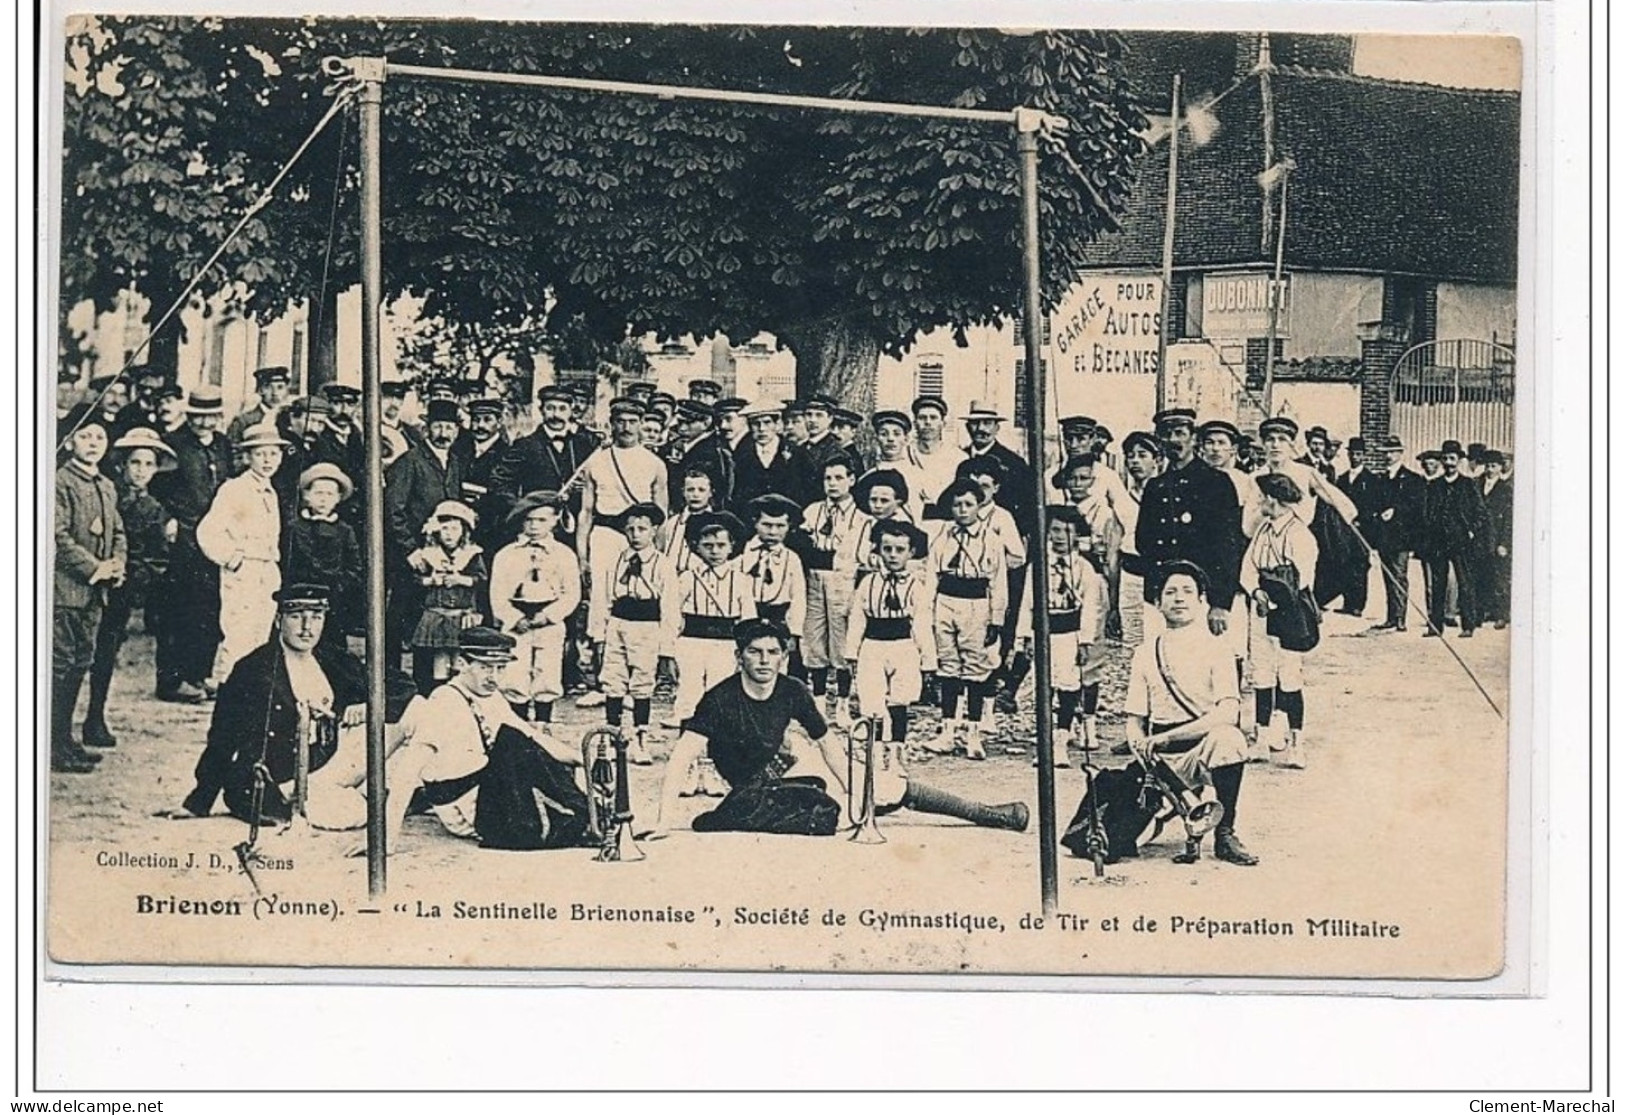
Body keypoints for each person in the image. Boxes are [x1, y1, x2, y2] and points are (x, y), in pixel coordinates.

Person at [649, 618, 1029, 837]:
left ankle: (988, 814)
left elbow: (828, 744)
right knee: (861, 803)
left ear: (784, 656)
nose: (764, 660)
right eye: (754, 652)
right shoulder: (719, 698)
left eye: (773, 653)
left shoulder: (793, 689)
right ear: (739, 656)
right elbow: (681, 756)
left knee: (886, 789)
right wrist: (665, 820)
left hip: (801, 767)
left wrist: (853, 788)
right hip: (758, 785)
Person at [168, 584, 415, 827]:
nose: (307, 628)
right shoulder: (253, 670)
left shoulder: (332, 659)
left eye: (316, 617)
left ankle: (402, 791)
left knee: (415, 712)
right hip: (281, 780)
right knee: (352, 815)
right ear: (278, 620)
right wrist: (199, 800)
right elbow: (223, 737)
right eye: (297, 617)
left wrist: (369, 706)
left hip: (332, 763)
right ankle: (376, 797)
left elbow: (403, 687)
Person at [1120, 561, 1257, 866]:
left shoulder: (1219, 648)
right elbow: (1134, 721)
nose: (1179, 598)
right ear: (1157, 603)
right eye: (1170, 592)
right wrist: (1141, 748)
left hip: (1202, 748)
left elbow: (1228, 712)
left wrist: (1169, 737)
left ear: (1202, 600)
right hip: (1161, 760)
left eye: (1187, 591)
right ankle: (1179, 809)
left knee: (1230, 738)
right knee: (1122, 841)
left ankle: (1225, 833)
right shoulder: (1145, 653)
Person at [84, 427, 177, 751]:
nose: (140, 470)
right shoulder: (107, 493)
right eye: (134, 463)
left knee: (106, 652)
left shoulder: (155, 509)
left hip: (121, 589)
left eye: (147, 464)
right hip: (90, 578)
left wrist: (135, 579)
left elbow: (157, 558)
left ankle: (95, 716)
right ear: (123, 465)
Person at [577, 396, 669, 702]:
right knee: (601, 604)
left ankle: (637, 681)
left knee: (637, 603)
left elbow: (661, 513)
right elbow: (586, 511)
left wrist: (659, 554)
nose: (627, 427)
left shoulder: (654, 463)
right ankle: (603, 683)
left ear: (642, 424)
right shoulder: (596, 461)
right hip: (605, 535)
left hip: (641, 537)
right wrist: (582, 554)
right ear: (611, 423)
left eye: (633, 421)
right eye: (620, 421)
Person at [52, 408, 126, 773]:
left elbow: (118, 532)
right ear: (68, 443)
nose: (93, 443)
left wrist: (116, 564)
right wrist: (94, 567)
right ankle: (51, 741)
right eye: (85, 436)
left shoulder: (107, 486)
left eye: (99, 437)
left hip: (96, 594)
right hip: (66, 591)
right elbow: (57, 537)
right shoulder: (60, 482)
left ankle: (65, 739)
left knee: (82, 661)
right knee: (59, 663)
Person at [149, 387, 233, 702]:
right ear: (189, 415)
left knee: (209, 608)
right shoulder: (174, 445)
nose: (204, 422)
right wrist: (167, 520)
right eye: (198, 416)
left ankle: (198, 674)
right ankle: (171, 681)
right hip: (183, 537)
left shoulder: (223, 446)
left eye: (211, 416)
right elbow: (158, 492)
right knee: (178, 609)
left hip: (215, 537)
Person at [1135, 409, 1244, 644]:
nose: (1173, 440)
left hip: (1202, 594)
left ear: (1193, 439)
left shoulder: (1217, 483)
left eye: (1180, 433)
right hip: (1161, 592)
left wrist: (1220, 603)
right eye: (1166, 434)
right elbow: (1143, 541)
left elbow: (1228, 546)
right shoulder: (1156, 486)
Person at [1016, 505, 1108, 766]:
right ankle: (1044, 742)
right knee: (1044, 687)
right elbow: (1027, 602)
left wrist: (1085, 640)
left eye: (1066, 532)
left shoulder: (1083, 569)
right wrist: (1026, 637)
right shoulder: (1039, 566)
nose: (1059, 537)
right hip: (1044, 632)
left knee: (1068, 687)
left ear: (1076, 535)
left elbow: (1091, 607)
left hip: (1070, 633)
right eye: (1054, 530)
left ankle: (1061, 740)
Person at [197, 422, 286, 687]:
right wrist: (231, 558)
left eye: (273, 454)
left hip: (267, 569)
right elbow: (208, 531)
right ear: (247, 457)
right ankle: (228, 687)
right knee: (238, 631)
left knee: (262, 631)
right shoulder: (235, 489)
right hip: (244, 568)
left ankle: (251, 689)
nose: (268, 460)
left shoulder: (270, 492)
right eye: (260, 454)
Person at [925, 477, 1008, 760]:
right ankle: (947, 731)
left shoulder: (992, 539)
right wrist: (928, 611)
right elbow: (931, 575)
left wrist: (996, 620)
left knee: (975, 668)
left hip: (977, 604)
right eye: (957, 504)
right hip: (947, 601)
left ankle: (973, 733)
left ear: (978, 506)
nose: (962, 510)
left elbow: (998, 582)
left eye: (968, 504)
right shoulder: (943, 536)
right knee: (948, 667)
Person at [1240, 473, 1320, 768]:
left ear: (1273, 499)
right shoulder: (1263, 530)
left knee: (1289, 674)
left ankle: (1296, 743)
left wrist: (1271, 596)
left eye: (1262, 497)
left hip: (1289, 612)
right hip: (1260, 609)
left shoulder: (1300, 535)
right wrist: (1256, 591)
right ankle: (1261, 739)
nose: (1259, 502)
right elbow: (1247, 568)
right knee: (1261, 671)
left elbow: (1301, 580)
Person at [489, 491, 582, 723]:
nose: (534, 526)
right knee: (514, 675)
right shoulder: (507, 555)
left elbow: (572, 593)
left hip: (548, 621)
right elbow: (497, 594)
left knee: (547, 676)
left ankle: (543, 727)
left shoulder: (563, 555)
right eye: (529, 520)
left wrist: (550, 616)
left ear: (555, 519)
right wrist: (512, 618)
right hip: (517, 622)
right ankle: (517, 728)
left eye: (541, 520)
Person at [842, 518, 934, 751]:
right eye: (887, 549)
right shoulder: (868, 583)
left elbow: (922, 623)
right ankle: (876, 750)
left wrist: (928, 660)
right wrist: (852, 652)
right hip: (872, 646)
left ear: (911, 552)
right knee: (872, 699)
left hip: (904, 646)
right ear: (878, 550)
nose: (893, 555)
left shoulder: (915, 586)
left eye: (900, 550)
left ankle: (896, 751)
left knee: (900, 699)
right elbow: (857, 618)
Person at [598, 501, 680, 761]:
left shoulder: (663, 564)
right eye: (630, 529)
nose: (635, 535)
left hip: (647, 627)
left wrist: (667, 647)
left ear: (654, 530)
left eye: (642, 529)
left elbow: (669, 608)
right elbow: (603, 598)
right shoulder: (616, 561)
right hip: (618, 623)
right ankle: (612, 738)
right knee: (613, 679)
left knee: (642, 683)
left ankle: (640, 740)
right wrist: (599, 634)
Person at [795, 456, 873, 725]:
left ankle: (841, 704)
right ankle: (817, 703)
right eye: (828, 478)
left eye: (839, 478)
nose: (832, 484)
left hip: (843, 582)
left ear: (851, 480)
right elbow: (804, 544)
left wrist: (830, 554)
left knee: (841, 641)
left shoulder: (862, 518)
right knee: (814, 637)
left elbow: (857, 555)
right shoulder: (812, 512)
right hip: (814, 580)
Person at [670, 510, 756, 725]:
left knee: (720, 692)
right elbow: (672, 616)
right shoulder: (687, 578)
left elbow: (748, 618)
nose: (714, 551)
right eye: (708, 546)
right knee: (689, 692)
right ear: (696, 547)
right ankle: (687, 749)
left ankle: (717, 749)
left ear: (731, 547)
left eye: (720, 545)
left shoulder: (740, 580)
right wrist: (669, 651)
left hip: (725, 644)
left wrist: (745, 650)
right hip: (691, 642)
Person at [406, 500, 488, 695]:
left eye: (454, 528)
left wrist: (460, 579)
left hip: (460, 615)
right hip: (436, 616)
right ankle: (439, 695)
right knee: (439, 659)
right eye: (444, 529)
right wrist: (431, 581)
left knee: (460, 659)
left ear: (464, 531)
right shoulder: (429, 555)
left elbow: (481, 579)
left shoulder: (471, 555)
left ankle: (461, 694)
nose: (449, 534)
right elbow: (414, 580)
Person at [281, 463, 364, 652]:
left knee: (333, 643)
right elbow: (289, 560)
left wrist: (339, 585)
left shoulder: (344, 530)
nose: (323, 500)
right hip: (300, 594)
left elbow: (355, 565)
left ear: (338, 499)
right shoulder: (295, 528)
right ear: (306, 496)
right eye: (318, 493)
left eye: (329, 495)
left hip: (333, 596)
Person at [1424, 440, 1488, 638]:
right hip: (1438, 541)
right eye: (1445, 459)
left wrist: (1470, 530)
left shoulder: (1468, 484)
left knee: (1465, 582)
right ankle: (1435, 627)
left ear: (1459, 461)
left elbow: (1480, 513)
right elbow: (1427, 512)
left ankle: (1468, 625)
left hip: (1461, 541)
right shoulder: (1434, 485)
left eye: (1452, 459)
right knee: (1438, 584)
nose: (1449, 463)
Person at [739, 493, 807, 673]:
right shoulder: (743, 553)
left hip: (778, 620)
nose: (773, 532)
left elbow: (798, 597)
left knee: (775, 668)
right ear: (755, 523)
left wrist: (794, 632)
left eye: (780, 526)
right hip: (747, 618)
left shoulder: (792, 559)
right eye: (767, 525)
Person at [1367, 435, 1426, 633]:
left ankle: (1400, 618)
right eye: (1386, 453)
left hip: (1401, 538)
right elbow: (1373, 504)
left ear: (1401, 453)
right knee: (1387, 576)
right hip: (1384, 537)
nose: (1389, 456)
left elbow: (1416, 508)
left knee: (1399, 576)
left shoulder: (1413, 479)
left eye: (1393, 452)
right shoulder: (1379, 479)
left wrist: (1396, 511)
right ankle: (1391, 617)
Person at [729, 399, 810, 513]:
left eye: (767, 423)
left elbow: (806, 491)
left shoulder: (796, 452)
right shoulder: (741, 455)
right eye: (756, 424)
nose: (762, 429)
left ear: (776, 424)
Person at [1481, 450, 1514, 628]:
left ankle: (1502, 614)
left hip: (1497, 537)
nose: (1490, 469)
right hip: (1480, 539)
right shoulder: (1477, 484)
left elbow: (1509, 519)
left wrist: (1504, 543)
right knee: (1483, 574)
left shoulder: (1505, 489)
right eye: (1487, 466)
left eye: (1493, 466)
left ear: (1500, 468)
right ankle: (1486, 610)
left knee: (1500, 577)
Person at [227, 365, 293, 446]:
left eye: (280, 387)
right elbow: (233, 448)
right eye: (268, 387)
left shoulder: (290, 419)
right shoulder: (244, 421)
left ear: (287, 391)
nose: (275, 393)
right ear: (259, 390)